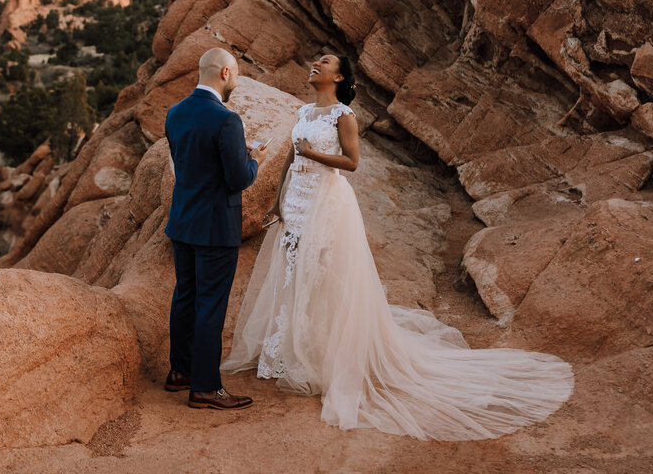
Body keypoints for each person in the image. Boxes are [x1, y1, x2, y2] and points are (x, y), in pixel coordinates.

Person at [222, 53, 575, 440]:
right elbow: (291, 154)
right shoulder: (305, 110)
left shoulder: (343, 116)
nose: (315, 64)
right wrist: (277, 202)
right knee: (292, 272)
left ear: (338, 77)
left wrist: (312, 154)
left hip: (327, 205)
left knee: (321, 276)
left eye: (324, 62)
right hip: (296, 204)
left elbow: (351, 162)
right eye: (316, 60)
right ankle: (290, 352)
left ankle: (321, 359)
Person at [163, 47, 270, 410]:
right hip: (216, 227)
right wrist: (254, 159)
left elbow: (192, 163)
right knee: (210, 305)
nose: (236, 81)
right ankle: (206, 387)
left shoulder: (174, 113)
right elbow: (237, 178)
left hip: (183, 221)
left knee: (185, 297)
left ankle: (180, 372)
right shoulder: (227, 120)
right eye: (236, 74)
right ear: (225, 74)